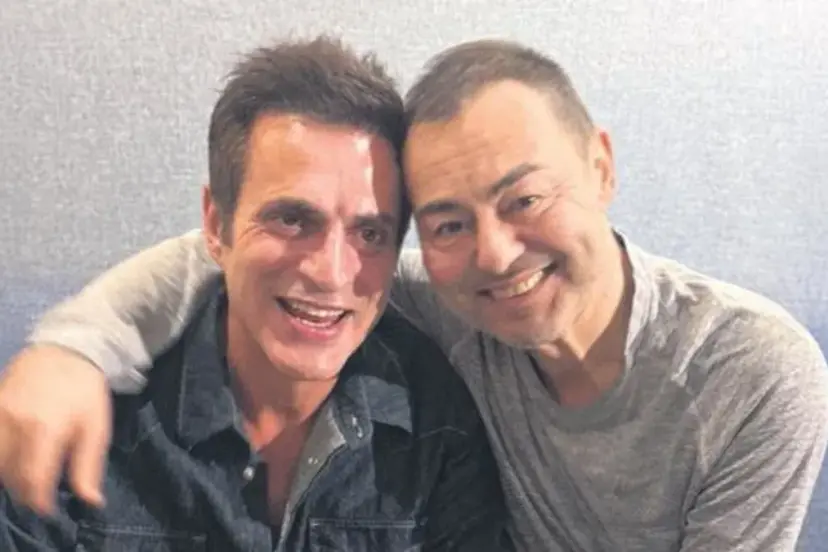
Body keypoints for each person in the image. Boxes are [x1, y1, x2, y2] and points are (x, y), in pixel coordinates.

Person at [2, 37, 827, 551]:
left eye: (525, 198)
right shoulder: (449, 311)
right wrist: (74, 348)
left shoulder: (750, 374)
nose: (495, 254)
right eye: (448, 223)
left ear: (601, 166)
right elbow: (231, 256)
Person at [0, 36, 512, 552]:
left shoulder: (437, 425)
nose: (331, 273)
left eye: (370, 233)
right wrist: (71, 347)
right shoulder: (82, 419)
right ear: (215, 224)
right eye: (291, 219)